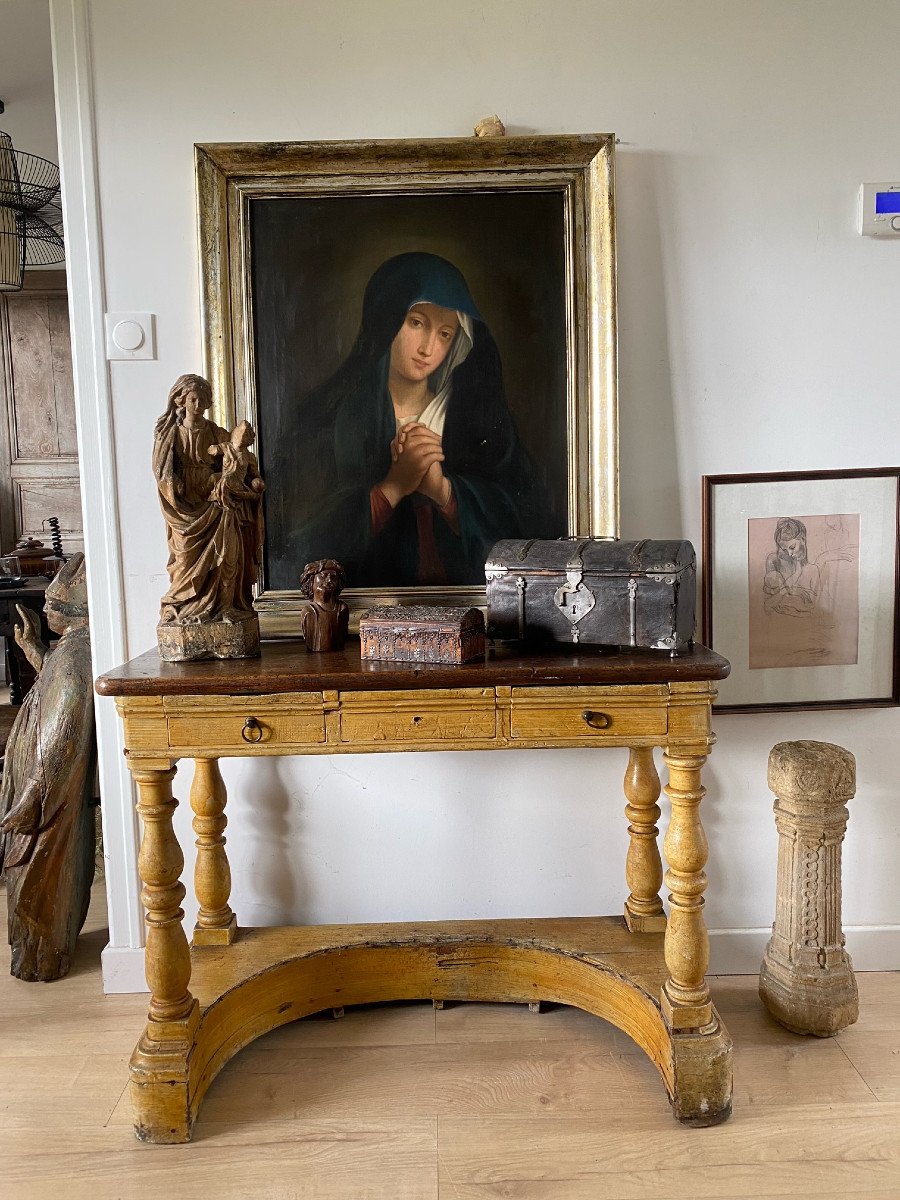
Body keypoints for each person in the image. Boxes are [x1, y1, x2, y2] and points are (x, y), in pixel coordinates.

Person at [273, 252, 550, 588]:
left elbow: (530, 525)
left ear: (459, 343)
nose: (428, 347)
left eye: (445, 334)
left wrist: (445, 493)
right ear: (386, 320)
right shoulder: (330, 417)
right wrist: (392, 488)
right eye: (417, 323)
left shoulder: (479, 420)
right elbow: (293, 545)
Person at [0, 554, 95, 981]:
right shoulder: (69, 649)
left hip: (44, 799)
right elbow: (53, 695)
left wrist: (31, 798)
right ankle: (39, 950)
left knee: (32, 876)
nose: (45, 609)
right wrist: (35, 650)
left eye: (53, 605)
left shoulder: (77, 655)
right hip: (37, 784)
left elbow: (63, 733)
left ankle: (43, 955)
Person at [153, 375, 264, 625]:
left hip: (216, 501)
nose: (198, 404)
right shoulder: (170, 434)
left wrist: (246, 480)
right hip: (185, 505)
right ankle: (183, 606)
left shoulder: (216, 431)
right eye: (193, 398)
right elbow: (162, 469)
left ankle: (224, 607)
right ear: (181, 400)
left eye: (203, 399)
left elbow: (238, 457)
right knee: (184, 559)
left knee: (226, 554)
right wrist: (174, 486)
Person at [299, 558, 349, 652]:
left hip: (338, 657)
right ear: (311, 580)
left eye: (333, 577)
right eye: (323, 576)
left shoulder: (342, 609)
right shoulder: (309, 611)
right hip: (315, 659)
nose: (329, 580)